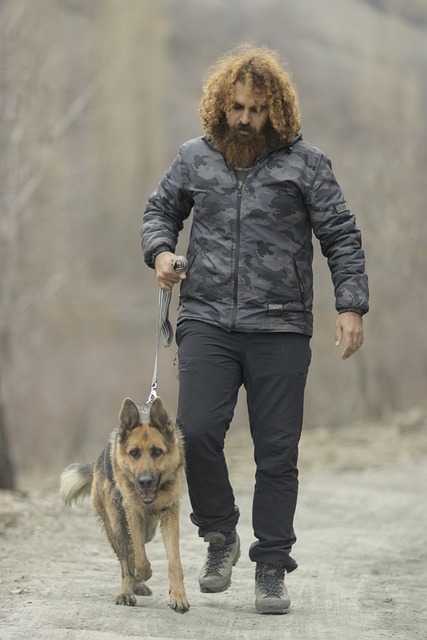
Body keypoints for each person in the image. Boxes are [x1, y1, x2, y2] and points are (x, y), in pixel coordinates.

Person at [141, 44, 369, 615]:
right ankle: (219, 535)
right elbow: (159, 211)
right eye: (238, 107)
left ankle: (271, 566)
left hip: (282, 326)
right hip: (207, 320)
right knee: (194, 431)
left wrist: (351, 305)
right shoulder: (194, 158)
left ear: (277, 111)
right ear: (223, 103)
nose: (245, 119)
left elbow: (340, 234)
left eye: (257, 110)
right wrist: (162, 251)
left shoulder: (306, 164)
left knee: (277, 450)